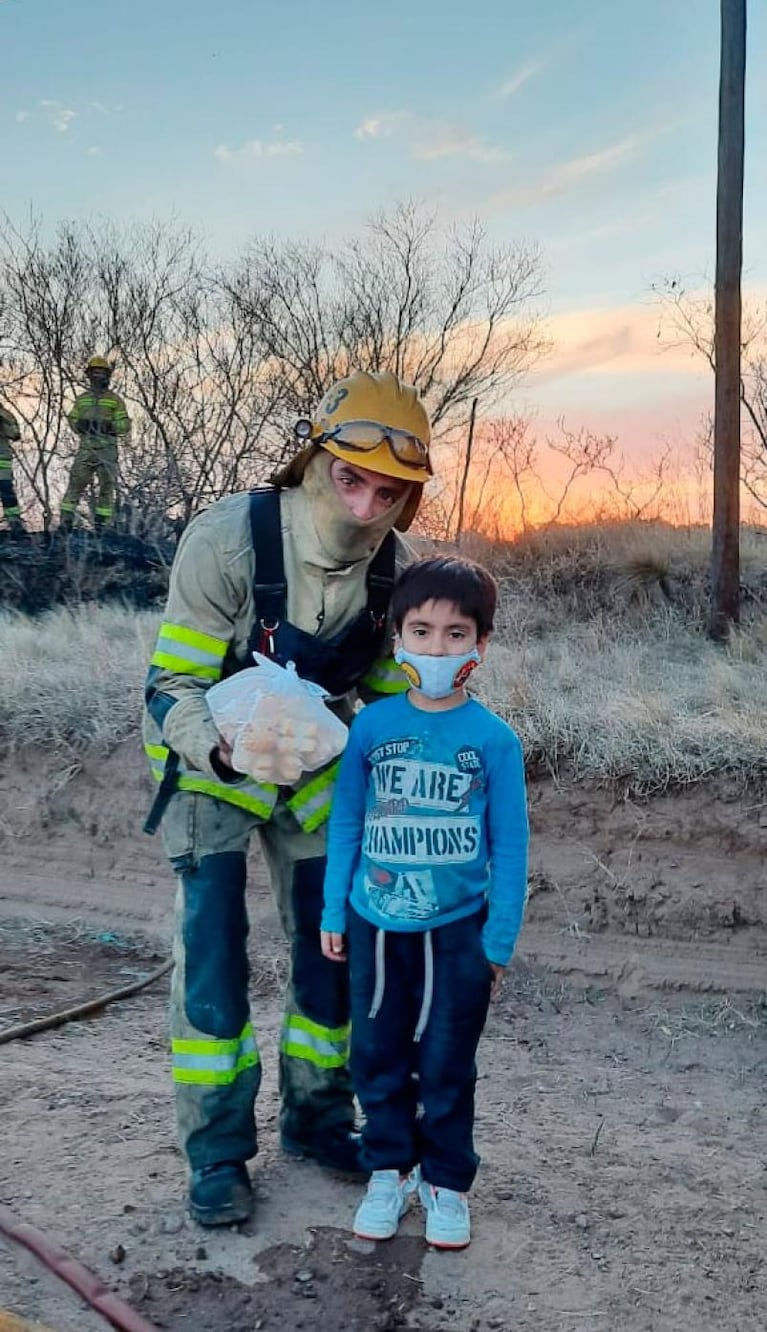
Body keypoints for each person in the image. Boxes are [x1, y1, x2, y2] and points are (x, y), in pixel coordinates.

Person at [142, 370, 433, 1227]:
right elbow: (171, 683)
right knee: (212, 961)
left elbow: (385, 702)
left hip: (314, 776)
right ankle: (218, 1152)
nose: (364, 505)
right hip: (211, 766)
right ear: (314, 461)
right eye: (351, 479)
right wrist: (224, 745)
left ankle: (314, 1119)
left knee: (331, 951)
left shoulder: (397, 574)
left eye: (389, 492)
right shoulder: (227, 540)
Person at [321, 555, 529, 1250]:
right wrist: (332, 911)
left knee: (445, 1061)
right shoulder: (371, 729)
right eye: (421, 630)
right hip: (375, 924)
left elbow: (510, 848)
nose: (435, 648)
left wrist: (497, 941)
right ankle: (389, 1168)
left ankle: (445, 1181)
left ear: (479, 645)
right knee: (375, 1053)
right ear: (397, 637)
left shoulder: (494, 742)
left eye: (454, 634)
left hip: (457, 931)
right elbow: (346, 822)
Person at [60, 355, 131, 532]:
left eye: (101, 372)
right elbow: (72, 418)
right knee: (75, 483)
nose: (98, 376)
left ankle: (102, 526)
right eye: (95, 372)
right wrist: (79, 425)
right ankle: (65, 523)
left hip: (107, 449)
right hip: (86, 448)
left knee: (107, 487)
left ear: (107, 375)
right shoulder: (82, 399)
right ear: (89, 375)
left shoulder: (115, 400)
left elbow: (125, 425)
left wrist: (108, 426)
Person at [0, 404, 26, 535]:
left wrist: (3, 422)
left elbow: (15, 434)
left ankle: (15, 523)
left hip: (2, 460)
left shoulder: (5, 414)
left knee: (6, 491)